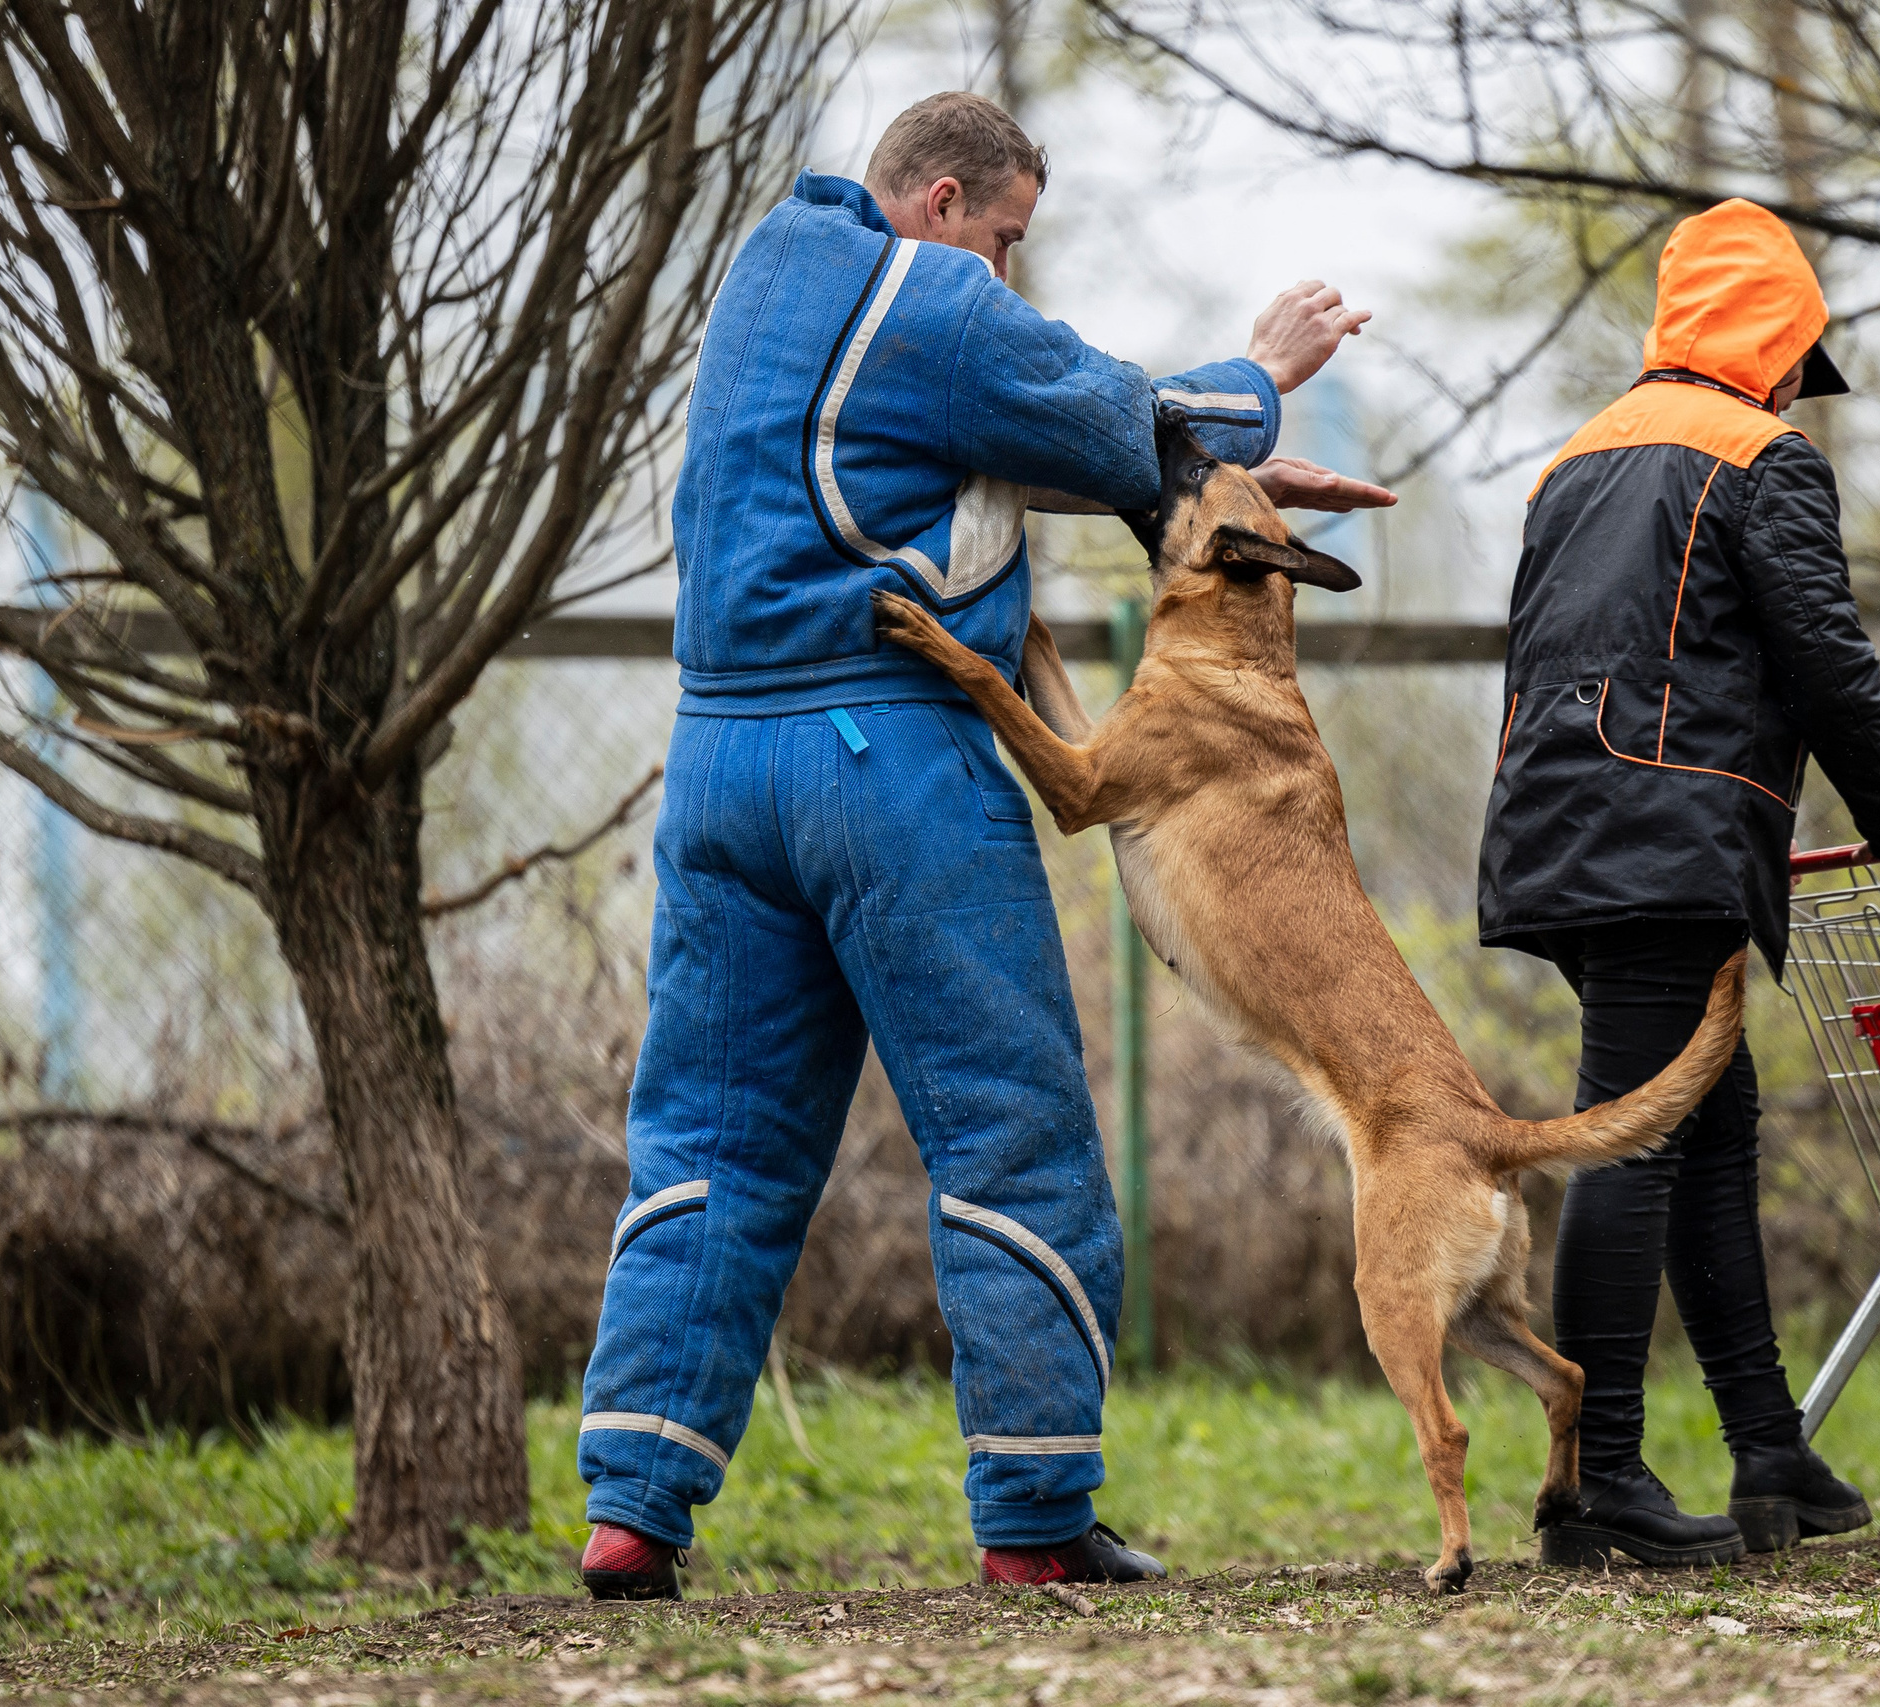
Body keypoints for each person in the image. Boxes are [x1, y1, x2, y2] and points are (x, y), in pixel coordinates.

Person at [576, 92, 1391, 1599]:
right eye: (1005, 239)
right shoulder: (931, 295)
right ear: (943, 200)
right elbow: (1103, 407)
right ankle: (1033, 1513)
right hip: (885, 760)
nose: (1006, 273)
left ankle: (632, 1503)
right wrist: (1258, 387)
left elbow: (978, 440)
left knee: (709, 1137)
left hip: (716, 764)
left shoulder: (767, 280)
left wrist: (1212, 485)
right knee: (1008, 1123)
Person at [1478, 198, 1880, 1569]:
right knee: (1635, 1129)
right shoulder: (1760, 455)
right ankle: (1598, 1480)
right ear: (1773, 338)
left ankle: (1765, 1445)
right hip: (1661, 837)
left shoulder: (1577, 459)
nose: (1801, 377)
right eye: (1800, 349)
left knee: (1709, 1123)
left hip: (1560, 823)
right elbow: (1825, 657)